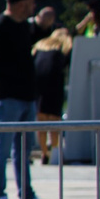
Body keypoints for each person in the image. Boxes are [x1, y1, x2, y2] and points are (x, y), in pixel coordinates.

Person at [0, 0, 49, 199]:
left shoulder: (24, 26)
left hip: (27, 97)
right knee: (2, 148)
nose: (34, 5)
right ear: (20, 4)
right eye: (30, 1)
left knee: (24, 150)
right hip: (7, 98)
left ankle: (27, 196)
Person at [33, 12, 73, 158]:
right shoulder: (65, 46)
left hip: (38, 85)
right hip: (55, 85)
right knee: (54, 119)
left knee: (41, 119)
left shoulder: (41, 45)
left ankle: (45, 152)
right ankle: (55, 151)